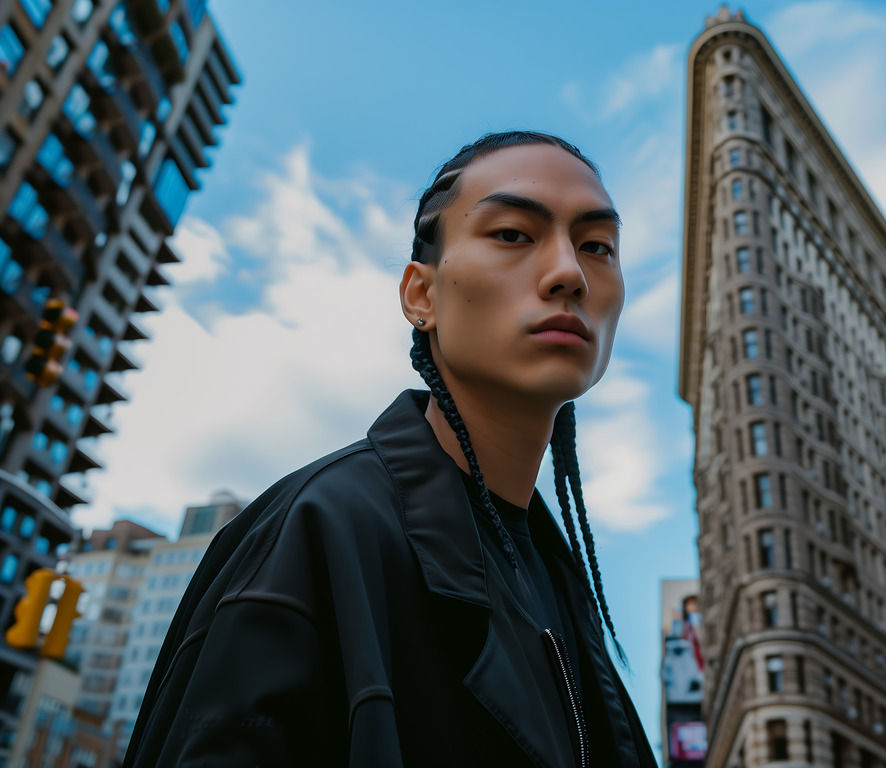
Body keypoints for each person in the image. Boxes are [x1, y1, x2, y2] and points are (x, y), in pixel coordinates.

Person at [123, 131, 658, 767]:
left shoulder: (560, 585)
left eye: (597, 246)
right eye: (513, 234)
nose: (569, 272)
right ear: (420, 295)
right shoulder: (315, 532)